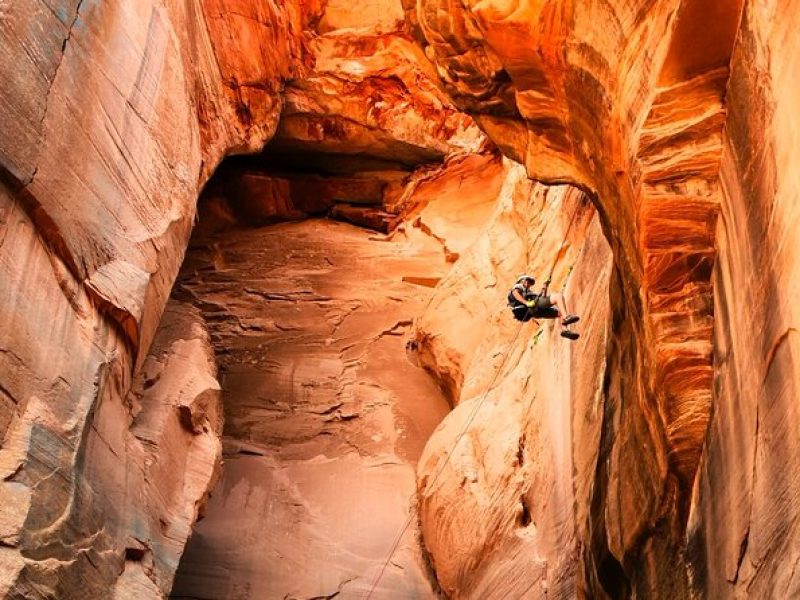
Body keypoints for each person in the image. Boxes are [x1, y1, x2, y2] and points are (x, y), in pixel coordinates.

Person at [507, 275, 580, 340]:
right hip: (533, 307)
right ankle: (566, 317)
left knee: (560, 314)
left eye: (529, 283)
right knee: (558, 297)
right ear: (522, 281)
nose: (528, 284)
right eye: (527, 281)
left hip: (535, 312)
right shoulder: (519, 286)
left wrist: (545, 287)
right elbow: (515, 293)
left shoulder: (528, 292)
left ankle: (565, 330)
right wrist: (527, 303)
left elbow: (543, 298)